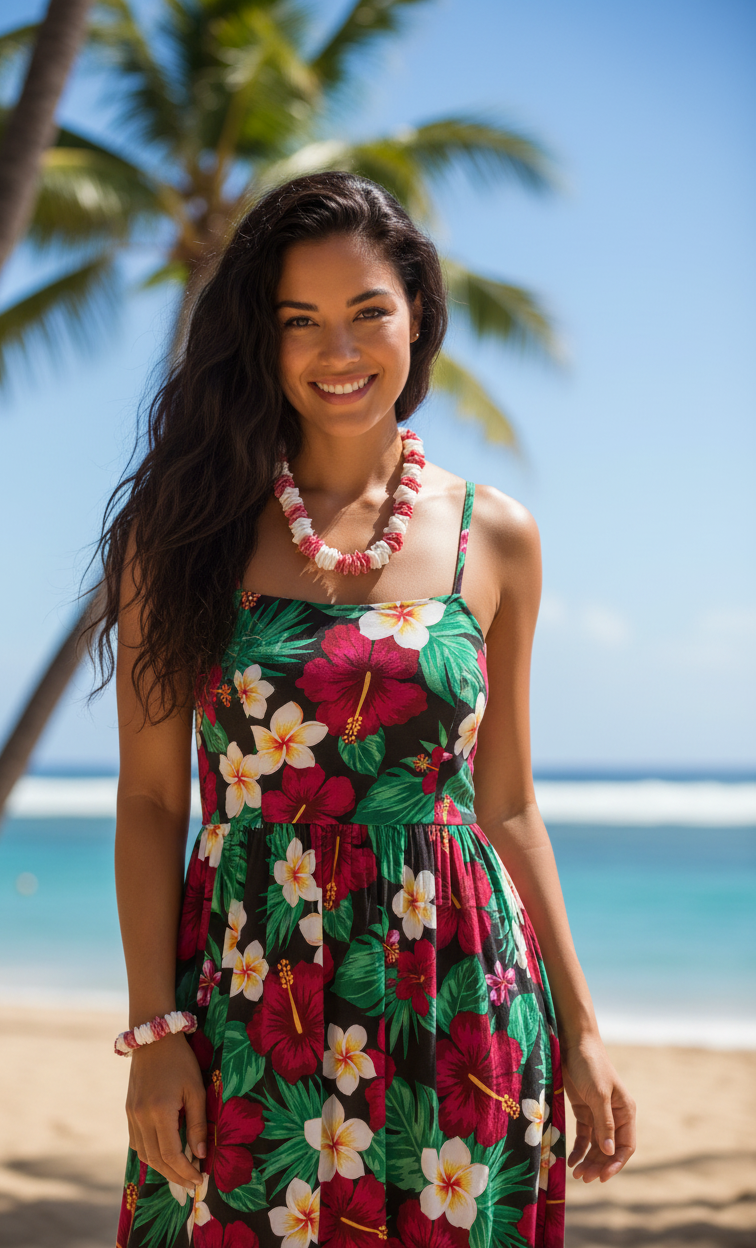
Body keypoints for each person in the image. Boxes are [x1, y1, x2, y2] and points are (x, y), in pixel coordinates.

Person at [96, 171, 635, 1248]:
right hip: (256, 992)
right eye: (300, 321)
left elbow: (510, 804)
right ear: (263, 339)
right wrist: (156, 1027)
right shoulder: (184, 529)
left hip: (463, 990)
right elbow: (154, 799)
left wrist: (580, 1030)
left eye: (366, 312)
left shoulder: (499, 535)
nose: (336, 351)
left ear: (418, 318)